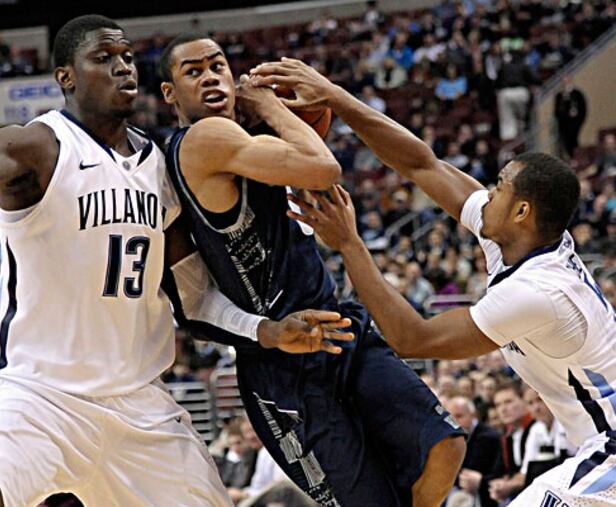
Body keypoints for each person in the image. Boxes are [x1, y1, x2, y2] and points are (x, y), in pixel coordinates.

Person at [0, 16, 348, 506]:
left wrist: (267, 330)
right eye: (103, 58)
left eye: (127, 57)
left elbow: (194, 297)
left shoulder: (161, 166)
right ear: (65, 77)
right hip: (39, 393)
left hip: (140, 404)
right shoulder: (40, 146)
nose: (122, 68)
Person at [250, 56, 616, 506]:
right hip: (597, 445)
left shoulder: (538, 292)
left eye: (500, 187)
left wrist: (349, 244)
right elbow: (423, 164)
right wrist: (335, 96)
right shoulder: (519, 239)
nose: (489, 192)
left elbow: (412, 337)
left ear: (523, 212)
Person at [159, 34, 466, 506]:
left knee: (444, 446)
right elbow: (323, 168)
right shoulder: (204, 137)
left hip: (335, 323)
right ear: (169, 94)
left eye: (217, 66)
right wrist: (271, 106)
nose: (210, 77)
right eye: (193, 72)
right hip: (284, 371)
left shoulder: (247, 144)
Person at [554, 76, 587, 159]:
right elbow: (557, 111)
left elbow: (583, 108)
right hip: (564, 124)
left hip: (575, 123)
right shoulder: (559, 96)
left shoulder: (577, 93)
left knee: (573, 141)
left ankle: (576, 157)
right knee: (565, 143)